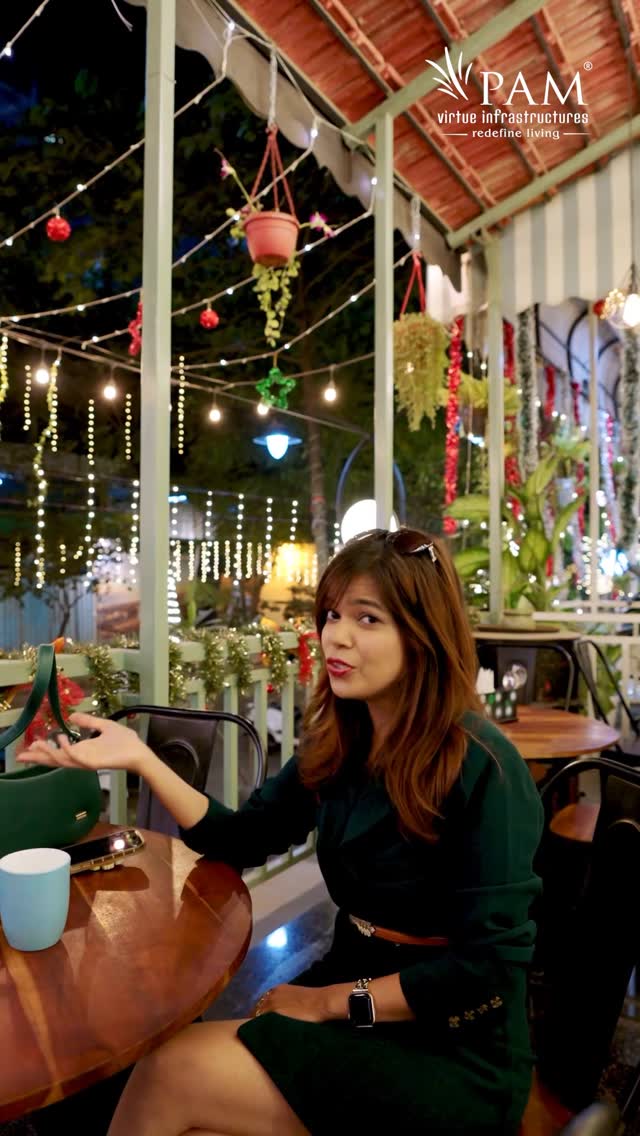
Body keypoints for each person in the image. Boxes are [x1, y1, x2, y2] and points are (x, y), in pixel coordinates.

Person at [21, 528, 544, 1136]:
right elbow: (243, 838)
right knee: (189, 1113)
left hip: (452, 1047)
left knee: (171, 1072)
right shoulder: (343, 744)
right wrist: (142, 760)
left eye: (368, 618)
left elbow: (486, 968)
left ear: (423, 634)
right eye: (332, 615)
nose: (336, 636)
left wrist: (328, 1002)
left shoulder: (485, 766)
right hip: (353, 989)